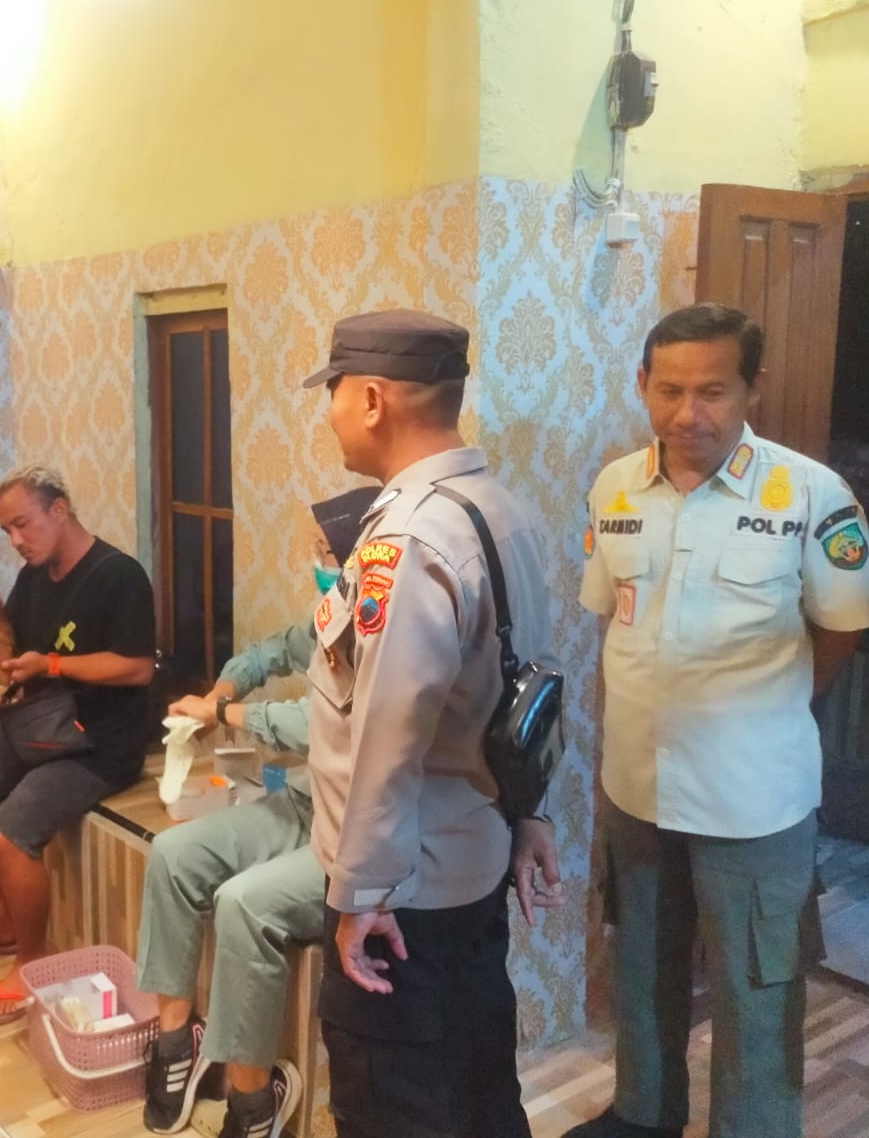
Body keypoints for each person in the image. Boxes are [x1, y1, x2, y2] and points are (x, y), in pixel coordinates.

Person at [565, 304, 869, 1138]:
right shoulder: (615, 488)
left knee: (755, 985)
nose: (687, 414)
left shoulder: (810, 494)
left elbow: (842, 627)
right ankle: (643, 1115)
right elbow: (612, 614)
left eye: (712, 391)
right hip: (636, 784)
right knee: (643, 963)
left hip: (753, 797)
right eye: (668, 390)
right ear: (642, 384)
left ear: (751, 389)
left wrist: (771, 707)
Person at [302, 309, 562, 1138]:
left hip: (406, 896)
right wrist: (528, 815)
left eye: (335, 393)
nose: (331, 413)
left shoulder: (409, 537)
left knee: (394, 1103)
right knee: (480, 1089)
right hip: (475, 854)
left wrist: (364, 894)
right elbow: (532, 686)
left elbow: (388, 732)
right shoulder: (502, 509)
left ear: (373, 400)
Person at [136, 487, 377, 1138]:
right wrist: (223, 687)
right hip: (307, 800)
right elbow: (271, 650)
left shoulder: (389, 629)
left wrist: (222, 712)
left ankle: (253, 1101)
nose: (321, 563)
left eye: (330, 552)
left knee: (243, 902)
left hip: (359, 830)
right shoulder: (335, 612)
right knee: (174, 853)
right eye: (319, 552)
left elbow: (321, 727)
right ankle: (176, 1044)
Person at [0, 466, 156, 1024]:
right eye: (7, 530)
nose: (16, 540)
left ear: (59, 510)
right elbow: (13, 651)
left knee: (8, 835)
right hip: (41, 725)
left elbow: (137, 667)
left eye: (22, 524)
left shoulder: (118, 575)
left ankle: (32, 961)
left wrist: (51, 665)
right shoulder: (35, 576)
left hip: (99, 743)